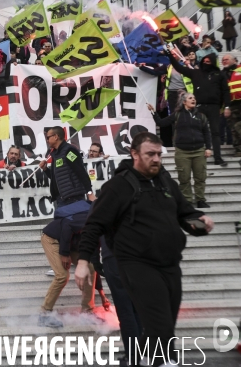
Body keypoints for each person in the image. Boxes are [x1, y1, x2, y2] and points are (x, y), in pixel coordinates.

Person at [75, 132, 214, 366]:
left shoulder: (165, 182)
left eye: (159, 154)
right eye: (150, 154)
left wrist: (199, 221)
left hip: (169, 263)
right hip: (136, 264)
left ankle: (134, 357)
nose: (157, 159)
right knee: (159, 322)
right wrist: (82, 262)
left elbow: (184, 212)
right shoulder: (118, 186)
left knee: (166, 322)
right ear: (135, 154)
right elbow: (94, 224)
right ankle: (165, 361)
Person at [36, 127, 97, 327]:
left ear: (57, 137)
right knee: (65, 227)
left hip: (75, 199)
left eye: (48, 137)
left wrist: (89, 191)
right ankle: (45, 312)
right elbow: (56, 180)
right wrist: (46, 170)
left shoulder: (69, 150)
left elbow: (80, 171)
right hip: (62, 202)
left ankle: (88, 310)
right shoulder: (53, 155)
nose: (47, 139)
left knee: (91, 267)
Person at [166, 50, 230, 166]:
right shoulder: (196, 73)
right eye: (204, 61)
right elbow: (179, 68)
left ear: (213, 63)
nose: (206, 63)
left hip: (214, 107)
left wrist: (227, 106)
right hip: (199, 106)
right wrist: (170, 56)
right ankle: (197, 156)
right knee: (196, 130)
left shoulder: (219, 75)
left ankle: (217, 157)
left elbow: (225, 91)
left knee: (215, 132)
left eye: (209, 61)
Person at [148, 92, 212, 208]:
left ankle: (200, 200)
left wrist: (208, 148)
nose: (193, 100)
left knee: (200, 177)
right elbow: (161, 123)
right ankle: (187, 200)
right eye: (190, 98)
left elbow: (206, 132)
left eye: (194, 98)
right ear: (184, 102)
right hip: (182, 152)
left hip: (199, 151)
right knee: (184, 178)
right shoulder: (177, 114)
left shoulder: (201, 116)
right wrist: (153, 112)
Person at [221, 54, 241, 157]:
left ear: (234, 61)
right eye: (223, 60)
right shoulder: (221, 74)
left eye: (226, 59)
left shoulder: (240, 69)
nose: (224, 61)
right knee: (233, 128)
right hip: (230, 104)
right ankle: (238, 149)